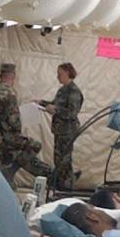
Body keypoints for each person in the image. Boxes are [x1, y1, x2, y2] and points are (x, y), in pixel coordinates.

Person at [0, 64, 53, 187]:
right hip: (5, 138)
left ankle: (11, 170)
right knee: (35, 146)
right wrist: (17, 135)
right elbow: (14, 121)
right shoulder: (10, 94)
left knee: (20, 155)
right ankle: (11, 171)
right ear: (13, 77)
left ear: (0, 76)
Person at [38, 62, 83, 191]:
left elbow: (72, 113)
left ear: (68, 73)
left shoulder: (74, 91)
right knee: (59, 159)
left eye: (60, 74)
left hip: (68, 131)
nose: (57, 76)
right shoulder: (63, 90)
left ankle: (66, 186)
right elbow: (55, 104)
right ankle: (64, 184)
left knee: (64, 160)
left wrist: (56, 110)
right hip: (60, 130)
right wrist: (41, 103)